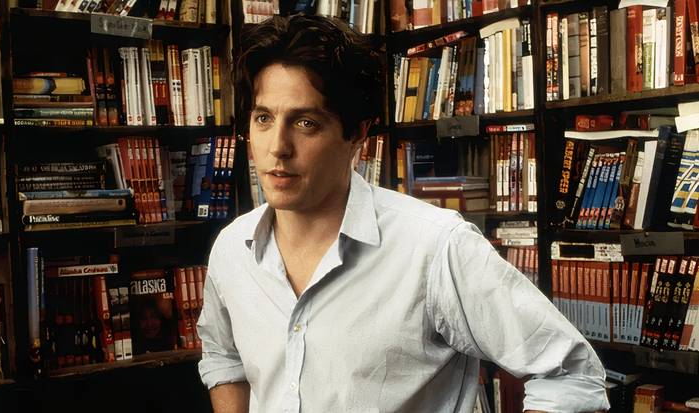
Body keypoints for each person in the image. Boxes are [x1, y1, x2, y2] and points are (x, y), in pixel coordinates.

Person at [197, 14, 609, 413]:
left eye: (305, 122)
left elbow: (570, 373)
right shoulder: (232, 250)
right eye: (263, 119)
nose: (277, 147)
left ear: (357, 133)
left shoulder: (435, 246)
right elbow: (224, 359)